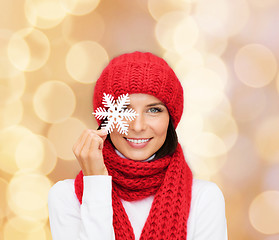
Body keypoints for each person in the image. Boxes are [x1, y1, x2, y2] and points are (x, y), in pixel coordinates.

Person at [48, 51, 228, 240]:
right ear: (105, 118)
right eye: (125, 109)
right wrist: (96, 183)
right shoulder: (66, 196)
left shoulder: (204, 199)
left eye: (153, 110)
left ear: (170, 119)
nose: (138, 126)